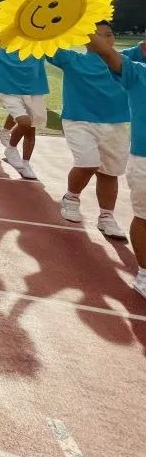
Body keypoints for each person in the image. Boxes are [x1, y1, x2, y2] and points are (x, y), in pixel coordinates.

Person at [47, 22, 130, 239]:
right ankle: (71, 198)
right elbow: (45, 45)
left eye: (109, 34)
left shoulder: (124, 62)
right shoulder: (73, 60)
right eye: (97, 35)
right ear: (86, 39)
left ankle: (106, 217)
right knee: (88, 162)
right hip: (79, 120)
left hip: (116, 124)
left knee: (110, 172)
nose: (104, 39)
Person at [87, 32, 146, 298]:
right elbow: (107, 53)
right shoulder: (137, 74)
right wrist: (78, 17)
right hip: (144, 160)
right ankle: (144, 274)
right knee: (145, 218)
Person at [0, 51, 48, 179]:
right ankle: (11, 148)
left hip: (34, 90)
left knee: (31, 130)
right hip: (9, 90)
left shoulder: (39, 46)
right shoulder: (1, 47)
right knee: (24, 122)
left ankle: (25, 163)